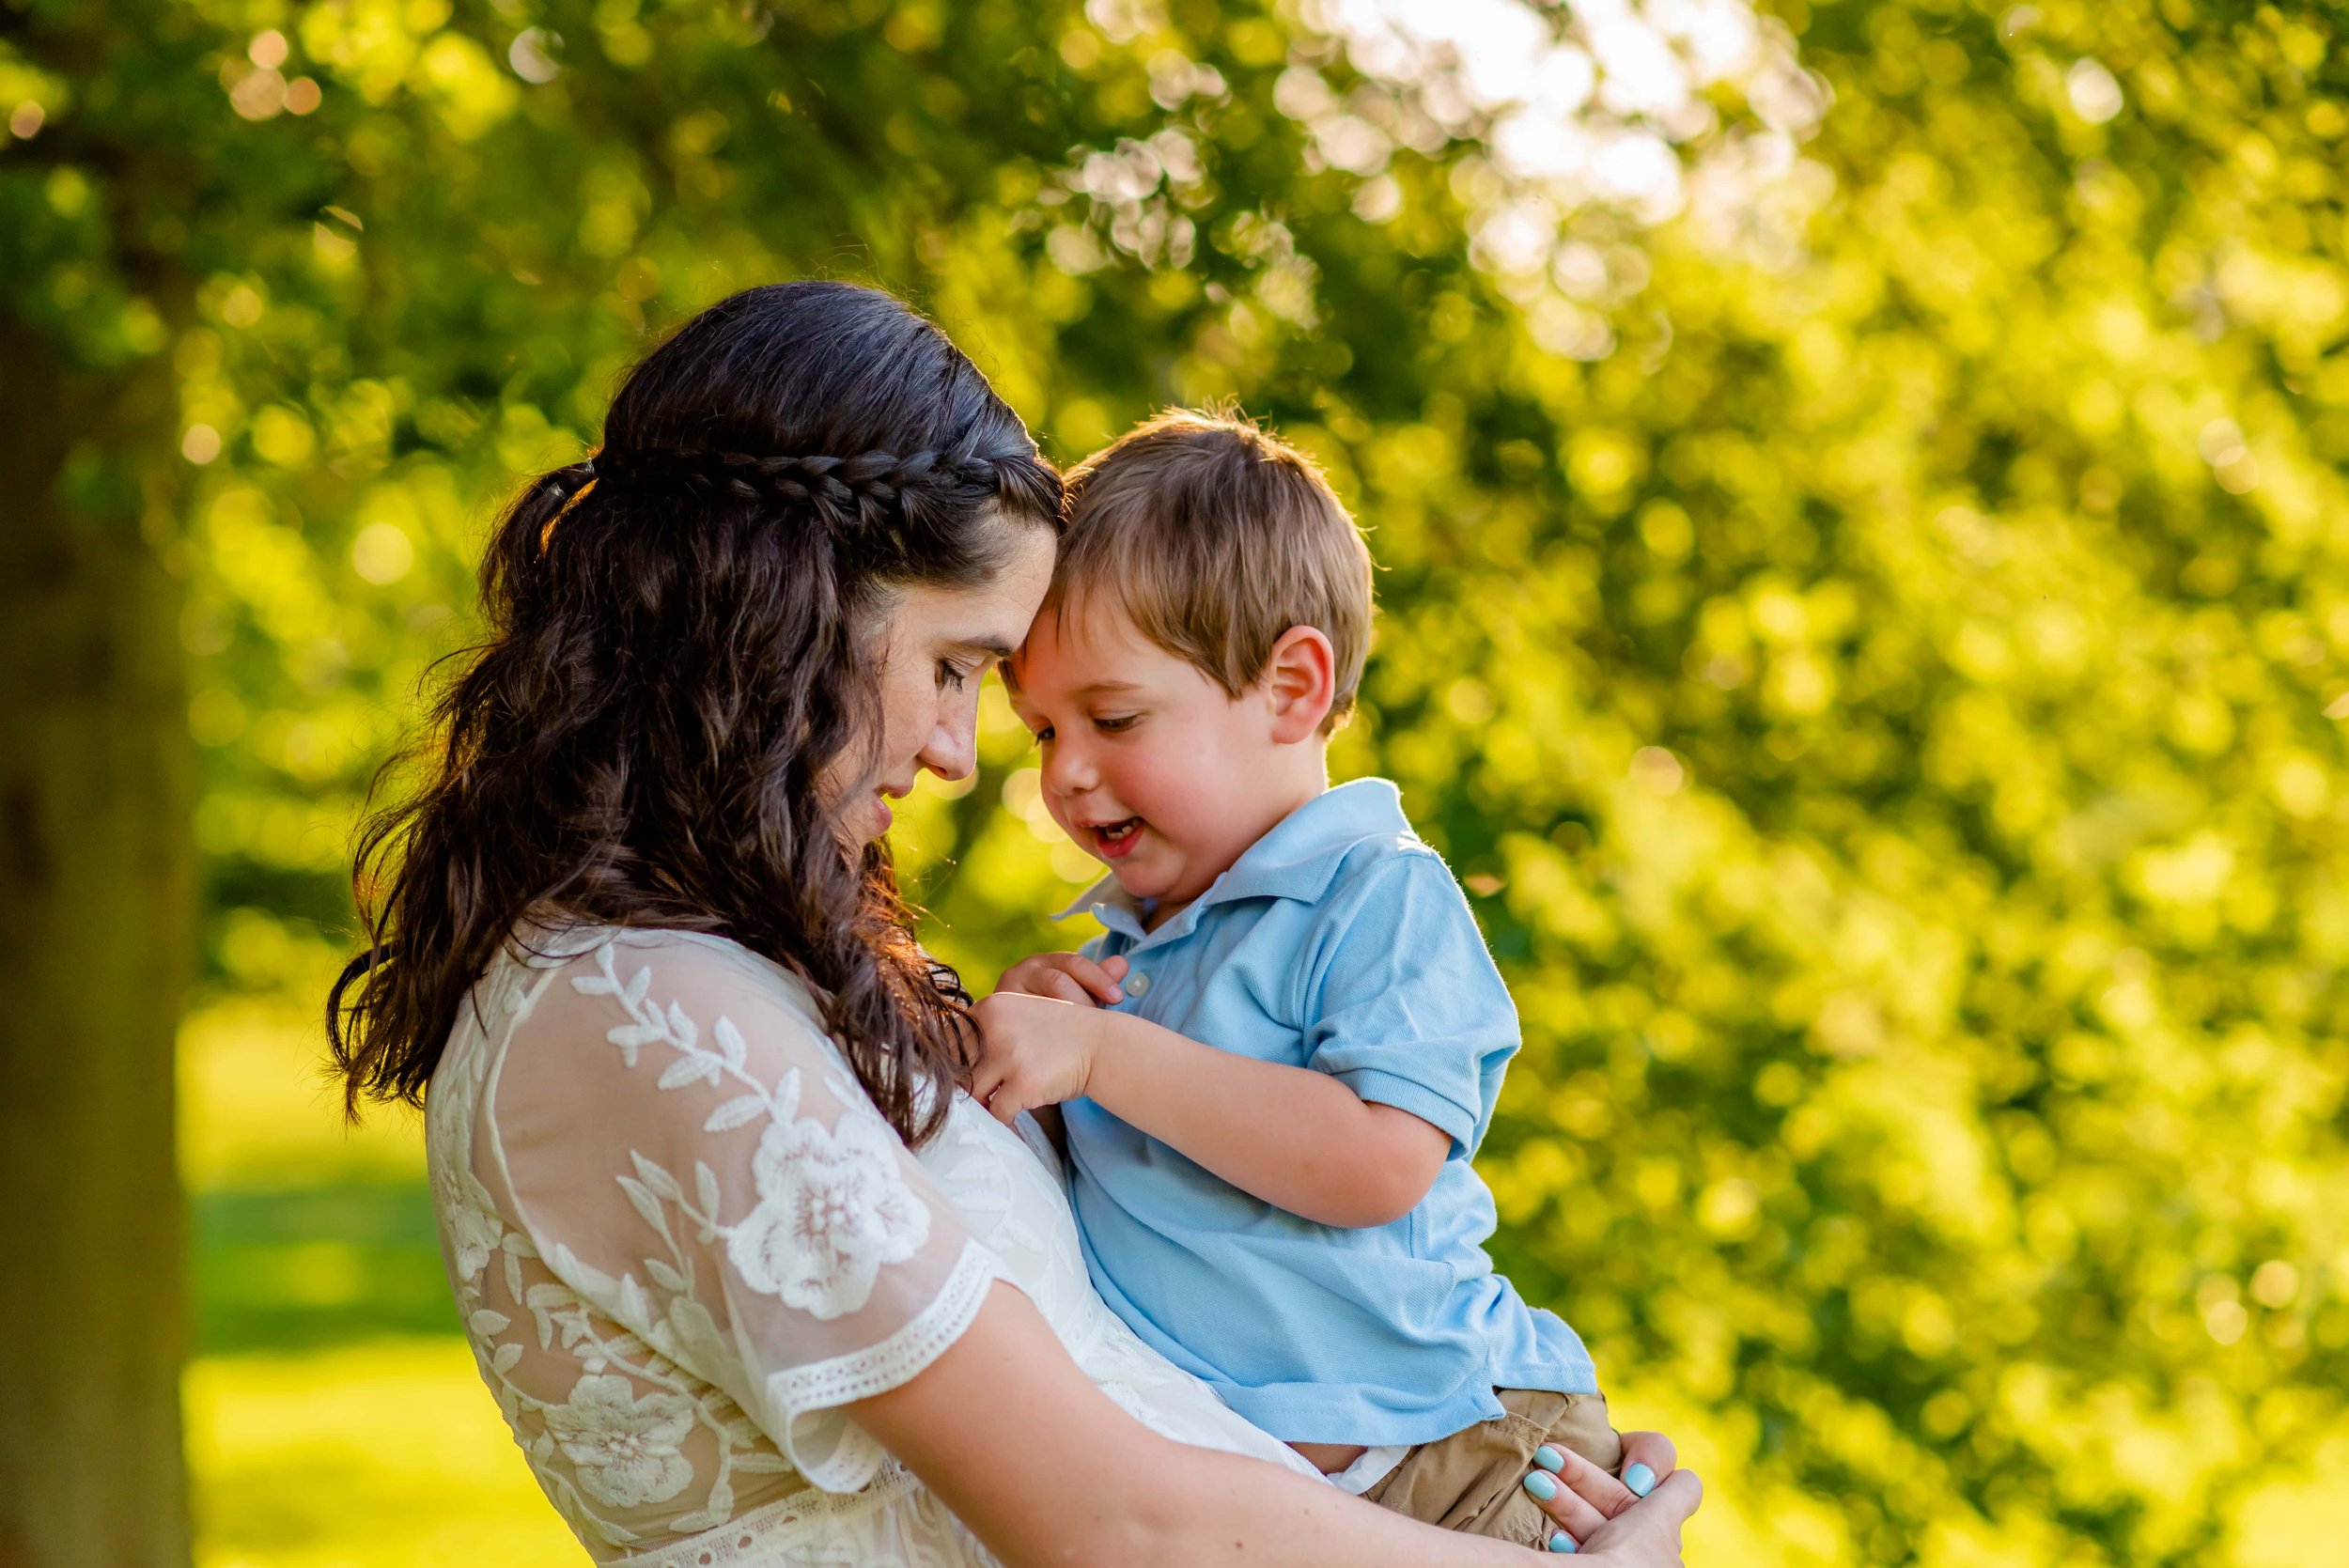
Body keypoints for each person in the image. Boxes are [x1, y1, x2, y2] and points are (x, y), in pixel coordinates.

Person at [328, 280, 1700, 1565]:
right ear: (782, 621)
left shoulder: (716, 976)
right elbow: (1117, 1520)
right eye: (959, 670)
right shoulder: (645, 1011)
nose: (967, 757)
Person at [974, 409, 1641, 1549]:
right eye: (1038, 730)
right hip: (1289, 1499)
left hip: (1462, 1453)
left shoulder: (1373, 894)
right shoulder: (1128, 950)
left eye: (1112, 716)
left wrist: (1102, 1056)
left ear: (1291, 687)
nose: (1066, 774)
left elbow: (1378, 1158)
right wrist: (1053, 1027)